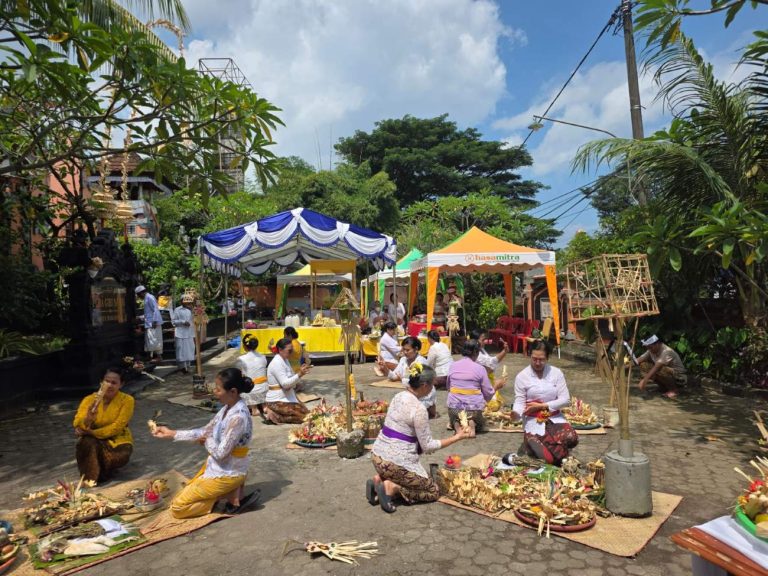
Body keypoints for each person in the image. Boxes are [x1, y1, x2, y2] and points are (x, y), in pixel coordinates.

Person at [152, 368, 259, 518]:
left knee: (177, 508)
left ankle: (220, 497)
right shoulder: (226, 409)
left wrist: (207, 440)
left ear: (233, 392)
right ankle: (231, 495)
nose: (214, 392)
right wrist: (171, 433)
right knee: (183, 496)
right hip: (217, 467)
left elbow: (221, 453)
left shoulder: (238, 417)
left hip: (229, 472)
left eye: (218, 389)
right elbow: (204, 431)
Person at [367, 364, 469, 513]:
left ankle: (379, 480)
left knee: (414, 478)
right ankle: (392, 488)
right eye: (432, 385)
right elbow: (428, 446)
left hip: (377, 457)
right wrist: (457, 437)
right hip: (394, 464)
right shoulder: (419, 409)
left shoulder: (398, 396)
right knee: (432, 490)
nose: (433, 389)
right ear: (424, 385)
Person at [510, 341, 577, 466]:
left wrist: (542, 406)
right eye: (534, 359)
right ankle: (545, 448)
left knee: (571, 437)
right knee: (549, 459)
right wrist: (515, 413)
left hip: (554, 417)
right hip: (533, 420)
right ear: (530, 356)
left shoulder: (556, 373)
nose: (537, 363)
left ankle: (549, 448)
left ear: (547, 358)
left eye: (541, 359)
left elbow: (566, 399)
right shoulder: (522, 376)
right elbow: (519, 402)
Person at [73, 367, 134, 483]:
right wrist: (88, 419)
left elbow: (117, 427)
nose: (109, 385)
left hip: (118, 440)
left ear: (121, 385)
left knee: (119, 456)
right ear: (101, 382)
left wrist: (91, 432)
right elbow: (77, 422)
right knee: (86, 443)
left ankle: (103, 468)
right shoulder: (89, 399)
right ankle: (89, 480)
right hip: (92, 440)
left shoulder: (127, 400)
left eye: (114, 383)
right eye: (107, 381)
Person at [446, 340, 506, 436]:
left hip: (453, 408)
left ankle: (456, 424)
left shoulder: (453, 366)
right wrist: (497, 386)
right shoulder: (480, 368)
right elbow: (488, 394)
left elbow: (448, 388)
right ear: (476, 353)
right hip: (473, 409)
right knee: (482, 423)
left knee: (455, 418)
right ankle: (473, 423)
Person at [379, 336, 437, 418]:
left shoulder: (420, 362)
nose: (405, 352)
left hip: (423, 393)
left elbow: (414, 382)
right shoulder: (403, 360)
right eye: (404, 350)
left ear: (416, 349)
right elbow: (394, 376)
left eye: (408, 350)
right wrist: (385, 368)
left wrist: (401, 378)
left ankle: (430, 408)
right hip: (412, 393)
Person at [264, 338, 311, 424]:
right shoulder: (276, 363)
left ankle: (276, 413)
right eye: (289, 351)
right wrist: (299, 374)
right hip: (276, 400)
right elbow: (285, 384)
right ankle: (274, 414)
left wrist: (299, 372)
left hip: (287, 395)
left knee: (308, 413)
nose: (292, 352)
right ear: (280, 350)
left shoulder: (285, 360)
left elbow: (291, 378)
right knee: (304, 418)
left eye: (292, 350)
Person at [236, 334, 268, 419]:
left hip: (252, 390)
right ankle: (264, 406)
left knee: (241, 382)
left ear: (244, 346)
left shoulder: (241, 359)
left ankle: (254, 409)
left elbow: (239, 374)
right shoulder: (263, 357)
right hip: (265, 389)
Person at [136, 285, 163, 363]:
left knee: (154, 340)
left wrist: (154, 321)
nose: (138, 297)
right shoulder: (146, 298)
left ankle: (159, 358)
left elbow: (155, 309)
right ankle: (151, 357)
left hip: (153, 324)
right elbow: (148, 313)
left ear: (141, 293)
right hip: (150, 323)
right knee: (150, 341)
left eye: (138, 295)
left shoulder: (150, 297)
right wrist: (140, 317)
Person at [171, 295, 196, 374]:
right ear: (181, 301)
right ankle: (181, 367)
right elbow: (174, 321)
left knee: (189, 349)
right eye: (184, 300)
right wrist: (183, 322)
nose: (187, 302)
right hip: (180, 333)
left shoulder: (191, 310)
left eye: (188, 301)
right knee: (181, 350)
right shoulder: (177, 310)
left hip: (189, 333)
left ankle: (188, 367)